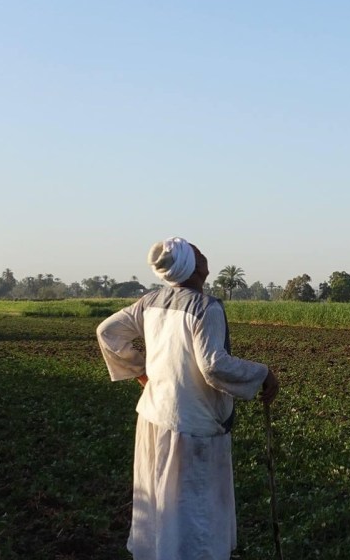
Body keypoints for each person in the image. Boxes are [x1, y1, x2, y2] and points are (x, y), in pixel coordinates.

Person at [96, 237, 281, 560]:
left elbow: (107, 331)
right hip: (192, 427)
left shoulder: (150, 302)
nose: (204, 254)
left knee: (160, 504)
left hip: (154, 416)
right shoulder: (205, 307)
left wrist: (141, 373)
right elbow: (213, 364)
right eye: (197, 252)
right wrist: (262, 373)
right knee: (195, 513)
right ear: (191, 266)